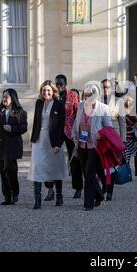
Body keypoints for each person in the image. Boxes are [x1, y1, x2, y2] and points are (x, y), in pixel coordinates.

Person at [72, 84, 112, 210]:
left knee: (89, 172)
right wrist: (74, 135)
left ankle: (88, 203)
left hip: (95, 145)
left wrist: (102, 135)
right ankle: (99, 195)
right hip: (81, 143)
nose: (87, 97)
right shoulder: (80, 106)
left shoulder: (103, 108)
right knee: (85, 172)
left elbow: (109, 127)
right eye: (85, 94)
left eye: (90, 95)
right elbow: (76, 121)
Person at [0, 89, 28, 205]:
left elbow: (23, 128)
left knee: (10, 170)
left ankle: (15, 192)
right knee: (3, 172)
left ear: (13, 98)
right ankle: (7, 197)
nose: (4, 99)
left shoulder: (20, 112)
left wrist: (12, 129)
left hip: (13, 146)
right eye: (3, 96)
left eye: (7, 97)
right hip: (0, 146)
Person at [29, 81, 67, 209]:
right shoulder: (38, 103)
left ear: (53, 91)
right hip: (39, 139)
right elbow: (35, 122)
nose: (46, 92)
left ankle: (59, 195)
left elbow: (62, 127)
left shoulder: (59, 105)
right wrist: (32, 140)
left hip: (53, 141)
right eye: (44, 90)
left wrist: (58, 144)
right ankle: (37, 199)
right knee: (37, 167)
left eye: (48, 90)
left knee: (55, 167)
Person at [43, 74, 81, 202]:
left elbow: (77, 114)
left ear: (65, 84)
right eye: (57, 84)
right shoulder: (53, 96)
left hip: (71, 131)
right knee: (52, 160)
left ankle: (78, 188)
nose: (59, 86)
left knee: (75, 160)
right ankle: (50, 189)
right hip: (56, 131)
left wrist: (78, 133)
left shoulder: (73, 95)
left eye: (61, 84)